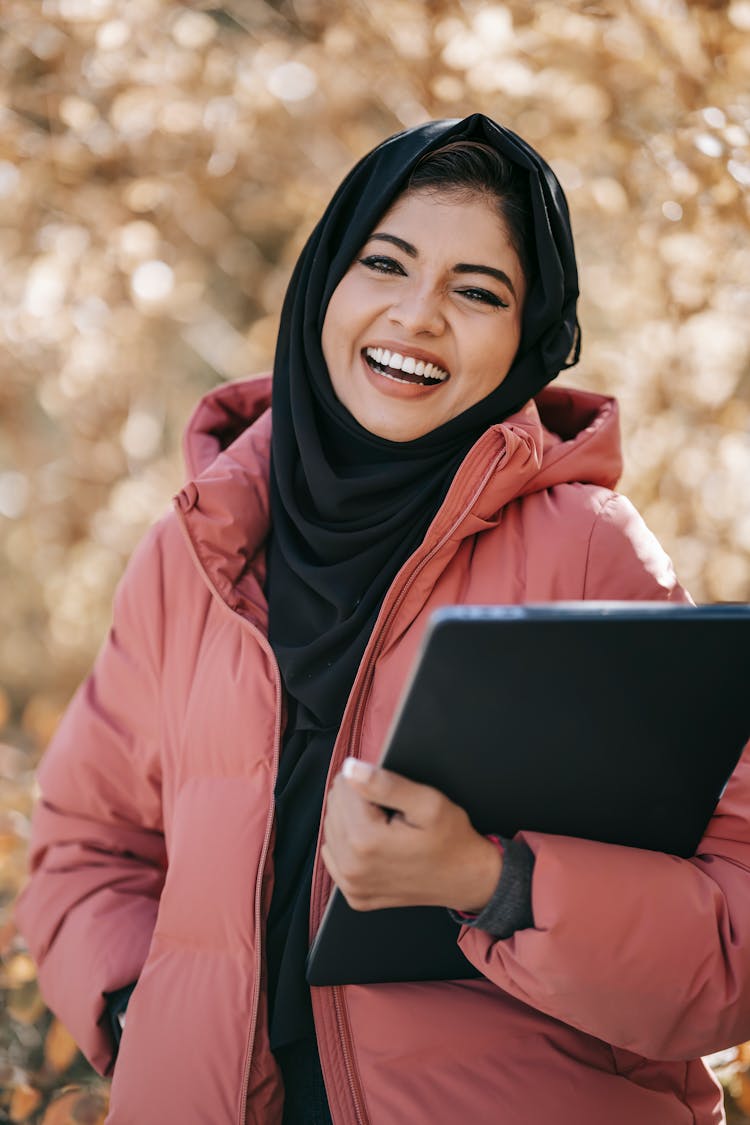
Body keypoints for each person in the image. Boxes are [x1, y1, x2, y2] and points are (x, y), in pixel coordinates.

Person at [15, 113, 750, 1125]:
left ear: (530, 338)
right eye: (385, 264)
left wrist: (489, 882)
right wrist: (145, 1011)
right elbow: (84, 843)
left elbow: (733, 939)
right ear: (324, 281)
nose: (418, 316)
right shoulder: (200, 550)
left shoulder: (591, 552)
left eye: (478, 291)